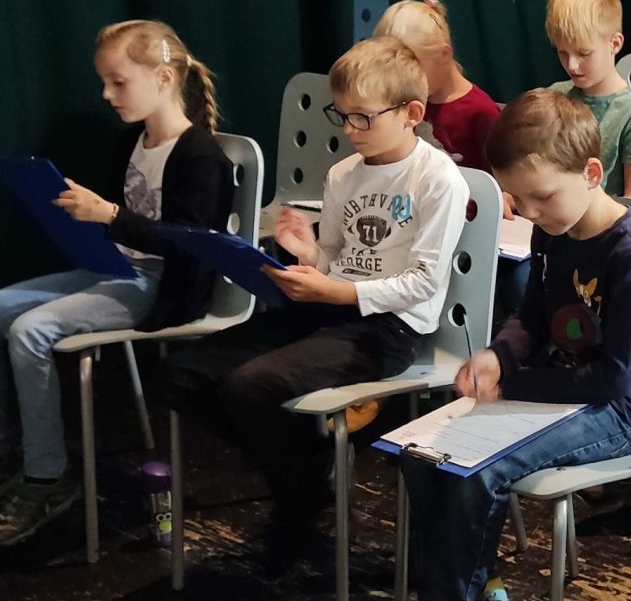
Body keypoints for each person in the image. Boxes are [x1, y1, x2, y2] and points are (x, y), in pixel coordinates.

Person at [343, 89, 631, 601]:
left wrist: (512, 382)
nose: (531, 212)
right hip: (558, 386)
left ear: (592, 172)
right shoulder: (555, 229)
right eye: (518, 200)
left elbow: (613, 381)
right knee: (424, 455)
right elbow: (532, 313)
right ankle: (477, 599)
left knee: (477, 471)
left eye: (541, 197)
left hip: (621, 411)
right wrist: (499, 354)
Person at [157, 37, 463, 570]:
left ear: (412, 113)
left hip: (387, 329)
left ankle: (299, 494)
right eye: (341, 115)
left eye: (363, 117)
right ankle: (309, 468)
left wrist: (337, 289)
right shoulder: (345, 173)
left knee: (253, 385)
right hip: (329, 309)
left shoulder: (437, 179)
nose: (349, 129)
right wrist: (308, 254)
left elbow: (421, 283)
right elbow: (337, 259)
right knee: (179, 374)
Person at [0, 20, 232, 547]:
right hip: (113, 267)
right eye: (105, 82)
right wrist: (78, 213)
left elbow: (192, 244)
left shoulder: (200, 156)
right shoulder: (131, 142)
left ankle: (47, 477)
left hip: (163, 287)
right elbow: (118, 226)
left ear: (163, 78)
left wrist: (109, 215)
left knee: (30, 330)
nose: (106, 94)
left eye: (118, 82)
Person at [545, 0, 631, 201]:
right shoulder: (555, 95)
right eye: (562, 52)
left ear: (615, 44)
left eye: (583, 53)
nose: (571, 65)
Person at [373, 0, 500, 173]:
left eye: (414, 68)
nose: (403, 81)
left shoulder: (482, 112)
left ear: (444, 55)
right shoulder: (402, 104)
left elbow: (499, 183)